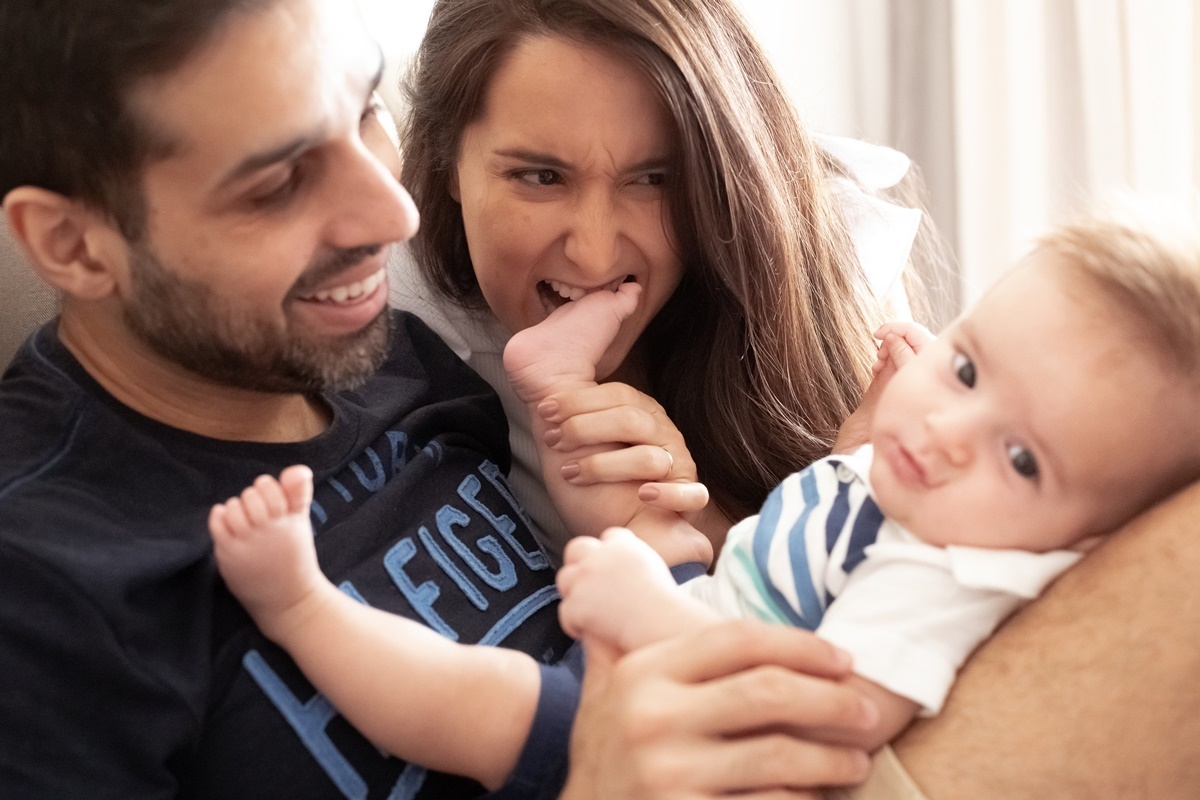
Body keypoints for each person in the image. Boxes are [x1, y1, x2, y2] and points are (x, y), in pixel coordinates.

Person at [0, 0, 878, 797]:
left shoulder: (399, 363)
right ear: (73, 244)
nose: (397, 217)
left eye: (366, 112)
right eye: (277, 185)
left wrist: (625, 527)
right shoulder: (44, 590)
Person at [206, 201, 1200, 783]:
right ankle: (555, 384)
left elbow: (816, 715)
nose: (942, 435)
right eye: (970, 369)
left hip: (673, 727)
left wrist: (644, 611)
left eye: (1022, 458)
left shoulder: (951, 579)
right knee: (645, 505)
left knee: (482, 697)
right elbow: (828, 520)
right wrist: (866, 431)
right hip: (718, 589)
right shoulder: (934, 479)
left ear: (1087, 540)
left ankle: (300, 604)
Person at [390, 0, 937, 565]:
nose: (596, 253)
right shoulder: (388, 344)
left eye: (653, 179)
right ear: (444, 162)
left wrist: (836, 502)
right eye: (541, 177)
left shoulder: (825, 263)